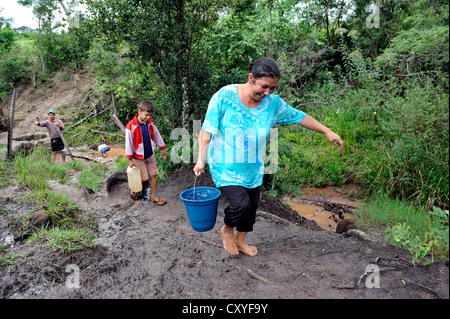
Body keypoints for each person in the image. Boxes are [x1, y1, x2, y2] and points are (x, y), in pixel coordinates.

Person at [193, 57, 343, 257]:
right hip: (225, 165)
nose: (267, 93)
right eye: (264, 87)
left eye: (272, 88)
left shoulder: (273, 103)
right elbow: (207, 129)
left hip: (253, 167)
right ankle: (227, 230)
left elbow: (299, 116)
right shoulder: (224, 97)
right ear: (251, 78)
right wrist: (201, 159)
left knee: (252, 209)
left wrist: (327, 131)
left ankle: (240, 241)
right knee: (240, 205)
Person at [125, 101, 168, 205]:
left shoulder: (150, 124)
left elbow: (156, 135)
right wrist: (130, 159)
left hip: (149, 156)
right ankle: (133, 188)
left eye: (150, 115)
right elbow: (129, 143)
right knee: (144, 178)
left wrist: (163, 148)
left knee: (153, 175)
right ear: (139, 111)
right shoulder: (131, 126)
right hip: (138, 157)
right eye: (146, 115)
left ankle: (153, 197)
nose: (148, 117)